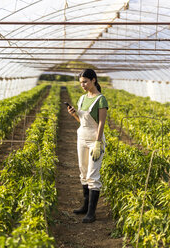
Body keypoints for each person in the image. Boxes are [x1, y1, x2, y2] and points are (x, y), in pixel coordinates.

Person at [66, 68, 108, 223]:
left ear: (93, 80)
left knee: (93, 175)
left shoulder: (101, 99)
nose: (82, 85)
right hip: (82, 138)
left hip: (94, 140)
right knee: (83, 172)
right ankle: (85, 206)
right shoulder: (82, 98)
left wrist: (98, 143)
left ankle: (92, 213)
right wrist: (74, 114)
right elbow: (82, 122)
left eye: (85, 82)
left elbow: (101, 123)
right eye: (81, 82)